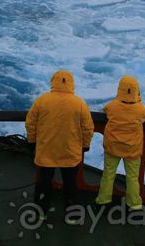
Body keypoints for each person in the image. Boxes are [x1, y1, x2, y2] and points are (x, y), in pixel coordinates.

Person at [25, 70, 94, 222]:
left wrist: (32, 141)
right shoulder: (79, 103)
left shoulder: (42, 100)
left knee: (44, 183)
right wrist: (85, 145)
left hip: (46, 150)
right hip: (70, 152)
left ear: (53, 82)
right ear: (71, 83)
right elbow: (88, 127)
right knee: (70, 184)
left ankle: (40, 213)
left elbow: (30, 122)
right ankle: (72, 215)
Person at [95, 75, 145, 209]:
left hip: (113, 147)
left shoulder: (112, 106)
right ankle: (134, 204)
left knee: (108, 174)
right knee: (132, 178)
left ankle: (103, 200)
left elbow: (106, 110)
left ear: (120, 89)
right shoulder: (140, 109)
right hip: (132, 149)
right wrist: (137, 99)